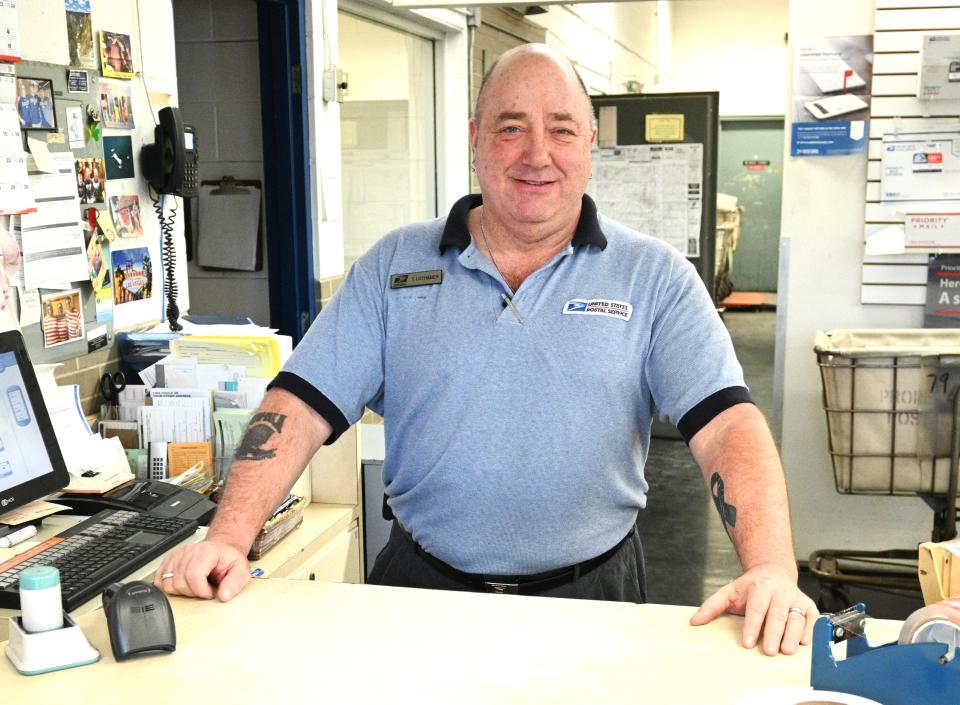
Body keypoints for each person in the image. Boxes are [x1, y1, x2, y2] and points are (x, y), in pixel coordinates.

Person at [155, 43, 816, 657]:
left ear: (590, 144)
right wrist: (227, 537)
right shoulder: (394, 265)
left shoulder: (654, 275)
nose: (537, 153)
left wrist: (770, 568)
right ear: (475, 140)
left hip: (596, 600)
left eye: (561, 128)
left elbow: (728, 425)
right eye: (510, 127)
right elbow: (297, 404)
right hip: (421, 591)